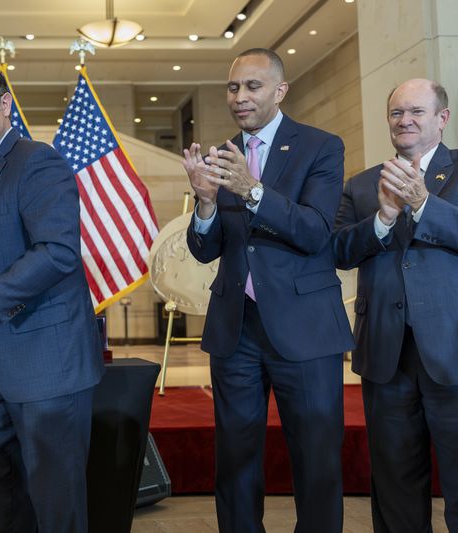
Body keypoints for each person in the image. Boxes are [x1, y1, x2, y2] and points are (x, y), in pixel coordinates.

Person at [184, 48, 354, 533]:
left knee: (317, 459)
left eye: (253, 87)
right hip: (235, 329)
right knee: (235, 461)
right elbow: (204, 249)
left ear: (280, 91)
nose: (240, 97)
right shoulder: (220, 155)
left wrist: (251, 188)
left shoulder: (321, 146)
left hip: (305, 328)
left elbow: (317, 232)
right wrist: (206, 203)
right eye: (233, 88)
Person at [0, 60, 103, 533]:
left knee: (56, 506)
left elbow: (58, 253)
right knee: (1, 497)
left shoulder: (37, 160)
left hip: (48, 364)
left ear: (5, 104)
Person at [333, 78, 458, 531]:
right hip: (386, 352)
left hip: (452, 349)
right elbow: (337, 250)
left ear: (442, 119)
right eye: (396, 113)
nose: (404, 121)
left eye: (416, 112)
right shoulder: (364, 184)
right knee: (395, 480)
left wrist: (423, 203)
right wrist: (383, 218)